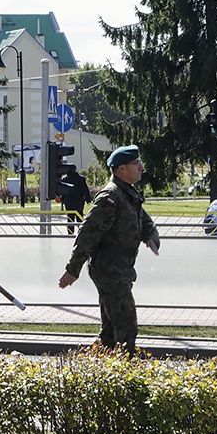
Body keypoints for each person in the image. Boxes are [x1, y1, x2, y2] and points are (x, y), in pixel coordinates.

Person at [58, 145, 160, 354]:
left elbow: (144, 221)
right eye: (136, 163)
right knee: (126, 325)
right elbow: (88, 234)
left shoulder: (128, 194)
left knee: (111, 328)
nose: (141, 167)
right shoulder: (110, 197)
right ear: (121, 168)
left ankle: (104, 368)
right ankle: (126, 371)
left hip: (121, 269)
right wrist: (72, 269)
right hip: (108, 270)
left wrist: (151, 237)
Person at [60, 164, 92, 234]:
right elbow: (85, 190)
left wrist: (62, 200)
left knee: (70, 218)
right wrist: (88, 199)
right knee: (79, 217)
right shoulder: (80, 179)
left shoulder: (65, 179)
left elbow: (62, 191)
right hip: (79, 201)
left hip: (68, 202)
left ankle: (70, 232)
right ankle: (81, 232)